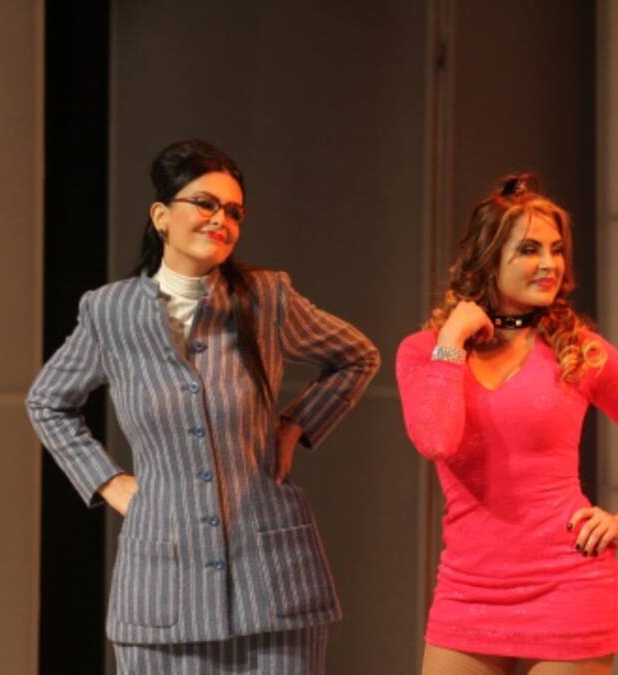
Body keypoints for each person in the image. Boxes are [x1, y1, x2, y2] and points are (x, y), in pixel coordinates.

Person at [26, 139, 380, 674]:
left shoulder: (266, 298)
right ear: (161, 217)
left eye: (234, 212)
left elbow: (357, 356)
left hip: (272, 584)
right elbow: (48, 401)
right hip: (163, 592)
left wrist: (295, 425)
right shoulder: (111, 312)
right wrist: (107, 482)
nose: (221, 220)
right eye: (205, 203)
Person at [395, 174, 618, 674]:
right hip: (468, 589)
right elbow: (436, 440)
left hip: (569, 584)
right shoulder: (426, 351)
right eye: (529, 249)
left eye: (556, 249)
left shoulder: (580, 351)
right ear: (488, 257)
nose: (550, 263)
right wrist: (452, 342)